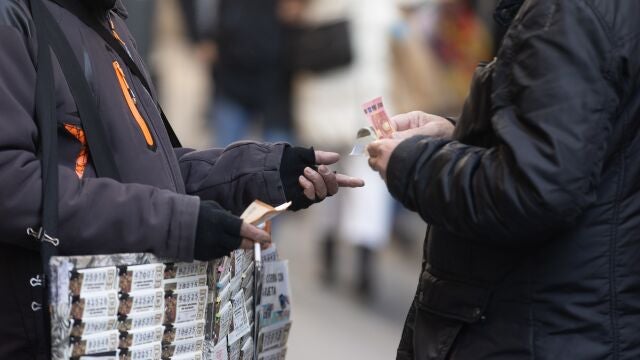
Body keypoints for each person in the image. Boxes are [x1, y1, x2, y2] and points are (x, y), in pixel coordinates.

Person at [0, 0, 363, 358]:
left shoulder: (107, 20)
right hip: (43, 328)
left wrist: (264, 171)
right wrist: (176, 222)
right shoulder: (15, 18)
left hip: (119, 325)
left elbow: (147, 169)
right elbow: (13, 188)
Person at [367, 0, 640, 358]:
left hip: (535, 323)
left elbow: (535, 189)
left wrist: (413, 164)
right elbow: (577, 147)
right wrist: (458, 137)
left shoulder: (569, 12)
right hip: (573, 319)